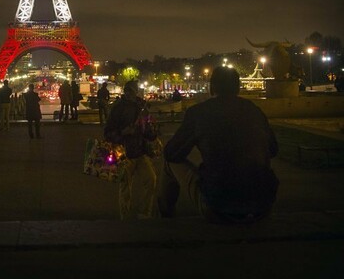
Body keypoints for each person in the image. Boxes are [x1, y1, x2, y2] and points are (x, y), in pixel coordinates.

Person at [158, 66, 279, 224]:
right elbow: (273, 149)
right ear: (237, 87)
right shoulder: (253, 110)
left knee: (169, 163)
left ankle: (166, 218)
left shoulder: (199, 113)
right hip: (262, 204)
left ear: (211, 87)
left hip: (220, 205)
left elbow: (172, 153)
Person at [104, 80, 157, 220]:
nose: (129, 94)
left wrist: (151, 132)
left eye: (131, 91)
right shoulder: (118, 108)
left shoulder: (142, 108)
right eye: (127, 91)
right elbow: (108, 133)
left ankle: (143, 213)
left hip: (140, 151)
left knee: (150, 180)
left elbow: (149, 130)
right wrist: (123, 132)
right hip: (124, 152)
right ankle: (126, 216)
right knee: (126, 187)